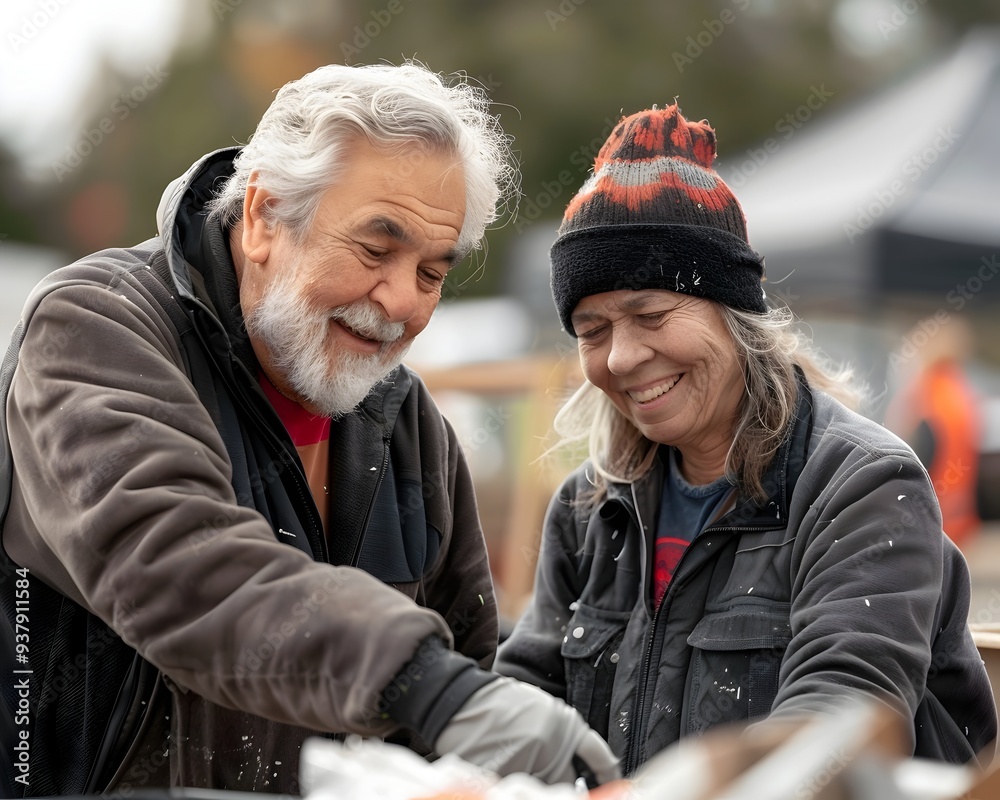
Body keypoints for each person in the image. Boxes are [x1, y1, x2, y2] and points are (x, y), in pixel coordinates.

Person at [0, 62, 619, 796]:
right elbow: (178, 566)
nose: (400, 304)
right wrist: (428, 685)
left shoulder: (408, 425)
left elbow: (467, 668)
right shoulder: (95, 328)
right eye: (375, 249)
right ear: (263, 217)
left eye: (431, 273)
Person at [495, 104, 997, 775]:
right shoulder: (589, 510)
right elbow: (527, 701)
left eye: (650, 314)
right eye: (592, 331)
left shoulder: (862, 488)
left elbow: (841, 730)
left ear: (737, 319)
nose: (619, 357)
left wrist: (674, 789)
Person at [884, 316, 983, 549]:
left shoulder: (927, 395)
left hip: (930, 519)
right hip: (958, 519)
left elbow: (915, 459)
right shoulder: (959, 391)